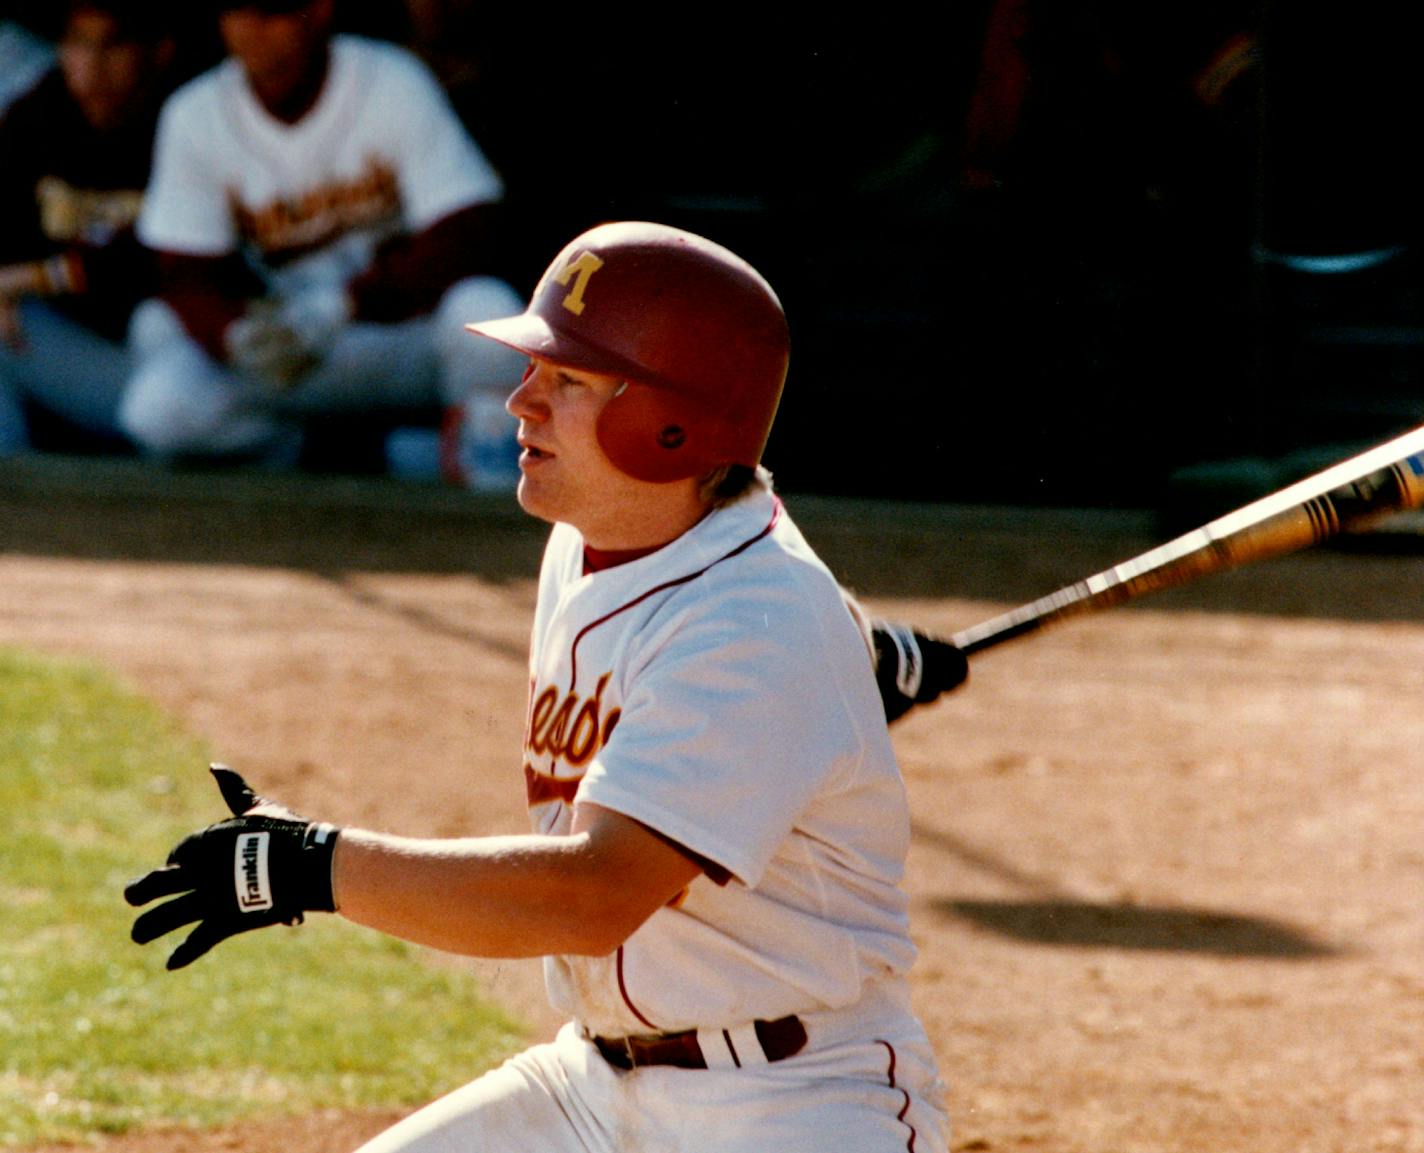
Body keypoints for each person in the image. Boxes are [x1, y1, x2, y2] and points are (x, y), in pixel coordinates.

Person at [124, 222, 967, 1151]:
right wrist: (856, 659)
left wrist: (312, 865)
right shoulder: (597, 541)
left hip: (794, 1105)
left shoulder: (759, 626)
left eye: (566, 381)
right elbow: (741, 600)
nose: (521, 399)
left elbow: (595, 893)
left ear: (668, 423)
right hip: (592, 1081)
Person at [120, 0, 525, 479]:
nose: (252, 29)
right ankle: (349, 458)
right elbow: (183, 273)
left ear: (318, 11)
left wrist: (346, 305)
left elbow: (465, 232)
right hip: (287, 352)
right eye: (236, 11)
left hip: (395, 335)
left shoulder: (389, 79)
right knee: (157, 406)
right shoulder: (195, 112)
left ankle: (487, 491)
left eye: (270, 12)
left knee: (486, 311)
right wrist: (235, 334)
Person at [0, 0, 182, 455]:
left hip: (171, 359)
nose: (94, 65)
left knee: (156, 327)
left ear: (159, 50)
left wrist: (41, 276)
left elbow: (162, 261)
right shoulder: (35, 117)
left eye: (113, 44)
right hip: (71, 349)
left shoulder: (188, 119)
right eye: (79, 43)